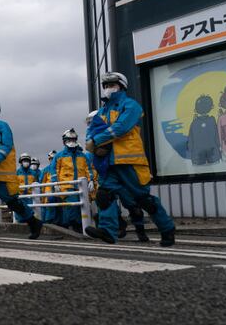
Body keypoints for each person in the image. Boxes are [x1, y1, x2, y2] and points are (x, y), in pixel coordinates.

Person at [85, 72, 175, 246]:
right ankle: (109, 231)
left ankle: (167, 228)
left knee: (143, 199)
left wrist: (96, 141)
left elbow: (121, 127)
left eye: (112, 84)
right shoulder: (102, 111)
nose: (108, 89)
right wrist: (95, 148)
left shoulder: (131, 105)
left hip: (130, 162)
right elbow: (91, 132)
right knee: (104, 196)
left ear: (122, 86)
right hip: (108, 163)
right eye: (106, 85)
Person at [0, 100, 44, 239]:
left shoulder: (2, 126)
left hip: (1, 176)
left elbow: (5, 145)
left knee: (13, 202)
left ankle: (33, 223)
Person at [86, 109, 148, 242]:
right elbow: (93, 165)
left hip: (122, 176)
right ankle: (111, 228)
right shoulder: (93, 142)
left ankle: (140, 230)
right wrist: (92, 179)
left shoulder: (118, 137)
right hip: (106, 177)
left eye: (93, 122)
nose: (92, 126)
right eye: (90, 123)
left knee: (132, 205)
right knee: (104, 199)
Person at [51, 128, 94, 233]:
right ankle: (76, 227)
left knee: (83, 207)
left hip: (81, 186)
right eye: (69, 140)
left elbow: (88, 169)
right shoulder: (59, 156)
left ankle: (79, 227)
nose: (71, 142)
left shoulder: (82, 156)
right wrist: (55, 183)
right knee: (72, 207)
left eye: (73, 139)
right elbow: (54, 170)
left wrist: (91, 180)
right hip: (67, 186)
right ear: (64, 141)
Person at [40, 150, 61, 226]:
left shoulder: (60, 168)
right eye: (51, 158)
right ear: (49, 159)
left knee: (59, 207)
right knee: (48, 208)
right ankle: (47, 222)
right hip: (48, 192)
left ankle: (58, 223)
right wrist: (42, 195)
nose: (53, 160)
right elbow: (42, 182)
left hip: (59, 191)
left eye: (54, 158)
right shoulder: (46, 170)